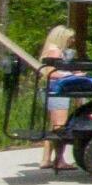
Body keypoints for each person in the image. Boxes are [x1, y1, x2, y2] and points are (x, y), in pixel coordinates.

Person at [37, 23, 80, 169]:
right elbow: (51, 72)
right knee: (60, 127)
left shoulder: (51, 50)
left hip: (51, 90)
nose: (72, 41)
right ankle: (59, 160)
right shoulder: (55, 52)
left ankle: (46, 159)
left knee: (53, 126)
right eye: (70, 38)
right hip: (57, 92)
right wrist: (70, 75)